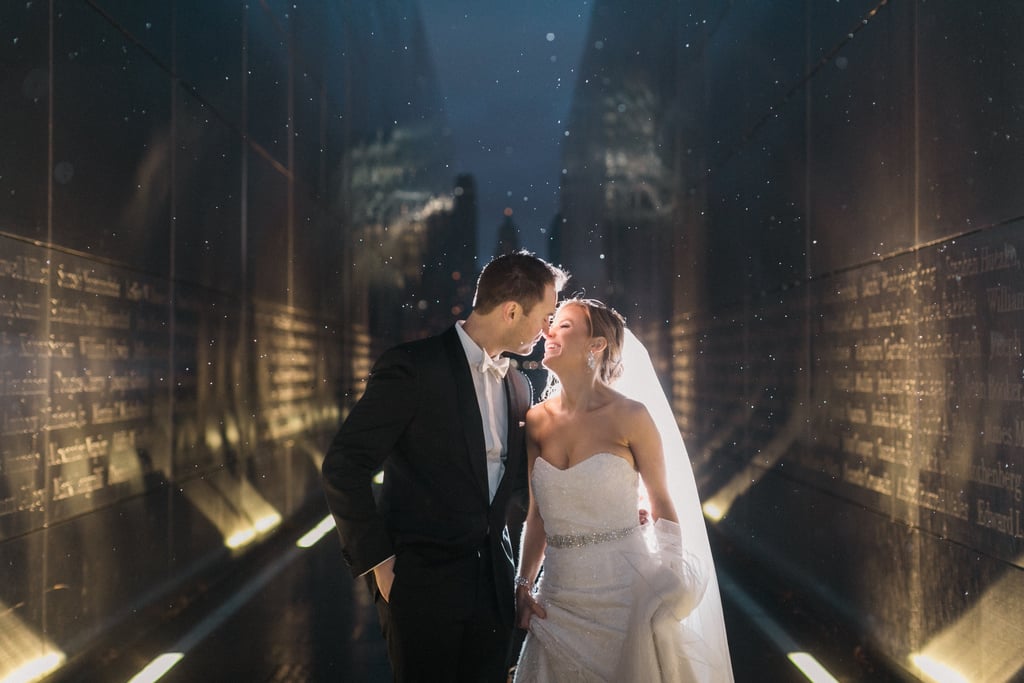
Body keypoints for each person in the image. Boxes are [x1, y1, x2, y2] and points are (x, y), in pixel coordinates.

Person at [321, 250, 568, 682]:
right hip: (420, 587)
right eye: (545, 316)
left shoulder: (517, 383)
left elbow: (513, 489)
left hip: (494, 592)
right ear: (512, 310)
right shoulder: (414, 367)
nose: (547, 330)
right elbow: (344, 467)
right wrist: (382, 565)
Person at [513, 298, 734, 682]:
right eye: (551, 323)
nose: (548, 332)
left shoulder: (631, 416)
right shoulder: (535, 421)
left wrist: (668, 583)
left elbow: (663, 502)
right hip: (558, 602)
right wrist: (523, 584)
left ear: (595, 345)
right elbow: (537, 517)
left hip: (627, 597)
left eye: (564, 326)